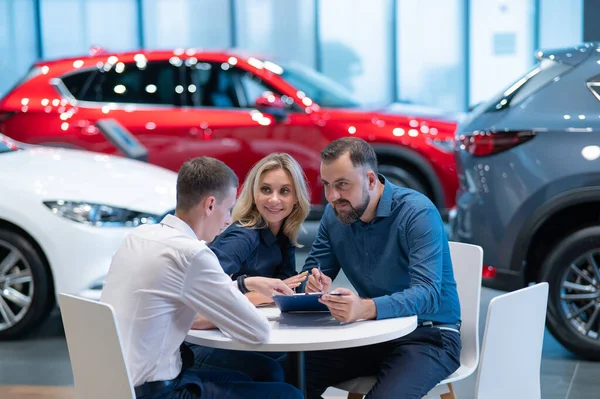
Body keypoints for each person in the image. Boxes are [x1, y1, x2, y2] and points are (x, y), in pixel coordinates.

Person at [100, 157, 302, 399]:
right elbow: (256, 331)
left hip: (120, 383)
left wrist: (244, 283)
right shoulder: (193, 254)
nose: (228, 220)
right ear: (210, 205)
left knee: (258, 375)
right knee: (289, 394)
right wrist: (246, 299)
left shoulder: (139, 236)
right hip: (159, 392)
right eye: (228, 209)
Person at [301, 137, 462, 399]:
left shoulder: (417, 212)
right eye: (327, 185)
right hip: (370, 334)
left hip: (429, 335)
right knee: (286, 375)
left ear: (371, 180)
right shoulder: (336, 214)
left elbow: (428, 295)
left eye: (342, 185)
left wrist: (365, 308)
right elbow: (311, 273)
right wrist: (311, 283)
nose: (332, 197)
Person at [187, 153, 311, 381]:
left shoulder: (283, 235)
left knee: (307, 363)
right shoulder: (242, 236)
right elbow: (196, 301)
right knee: (274, 371)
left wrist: (308, 288)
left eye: (284, 191)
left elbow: (283, 291)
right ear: (253, 193)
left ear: (296, 198)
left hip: (244, 334)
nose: (274, 199)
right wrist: (260, 296)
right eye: (266, 190)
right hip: (201, 343)